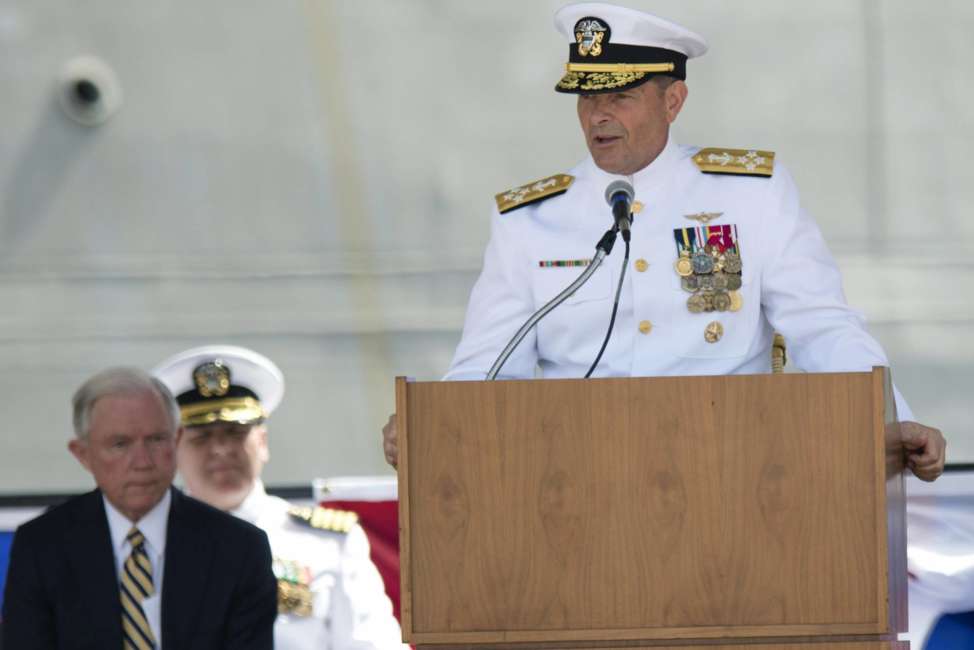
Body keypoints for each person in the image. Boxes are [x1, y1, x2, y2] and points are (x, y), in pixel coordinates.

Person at [381, 2, 946, 481]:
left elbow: (823, 325)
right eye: (585, 97)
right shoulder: (528, 219)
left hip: (731, 470)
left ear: (672, 101)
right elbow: (488, 366)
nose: (597, 115)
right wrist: (430, 429)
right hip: (575, 480)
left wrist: (889, 421)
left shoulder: (750, 195)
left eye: (619, 96)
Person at [1, 367, 277, 650]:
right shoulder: (43, 546)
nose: (142, 462)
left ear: (176, 440)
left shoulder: (238, 548)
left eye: (156, 440)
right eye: (120, 444)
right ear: (83, 454)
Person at [153, 345, 405, 650]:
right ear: (172, 452)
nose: (220, 449)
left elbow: (373, 644)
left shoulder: (329, 542)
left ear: (262, 441)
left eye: (235, 432)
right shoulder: (148, 545)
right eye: (202, 438)